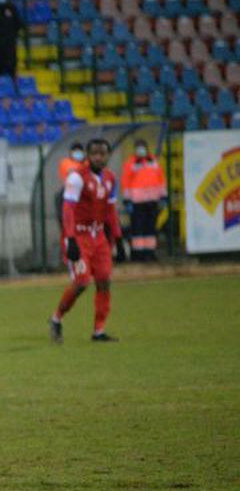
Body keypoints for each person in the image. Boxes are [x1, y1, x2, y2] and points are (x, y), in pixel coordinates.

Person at [49, 138, 124, 344]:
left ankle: (99, 331)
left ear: (108, 156)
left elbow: (110, 211)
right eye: (95, 153)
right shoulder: (76, 178)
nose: (99, 157)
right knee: (82, 282)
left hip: (98, 237)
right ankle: (56, 318)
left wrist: (118, 239)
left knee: (104, 281)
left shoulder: (110, 178)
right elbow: (68, 209)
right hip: (79, 236)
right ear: (88, 156)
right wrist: (71, 238)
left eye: (103, 153)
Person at [120, 138, 167, 262]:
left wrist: (163, 196)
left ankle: (150, 252)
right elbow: (126, 182)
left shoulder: (154, 162)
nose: (141, 150)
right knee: (138, 228)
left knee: (151, 227)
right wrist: (127, 200)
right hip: (137, 201)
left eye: (143, 147)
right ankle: (138, 254)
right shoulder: (131, 163)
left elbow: (161, 180)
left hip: (153, 200)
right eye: (138, 147)